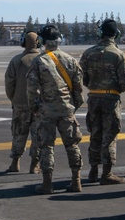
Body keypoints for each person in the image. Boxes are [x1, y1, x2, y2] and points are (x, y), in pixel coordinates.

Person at [27, 24, 84, 194]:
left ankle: (47, 183)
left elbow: (32, 89)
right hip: (66, 110)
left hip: (47, 111)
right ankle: (76, 181)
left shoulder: (39, 61)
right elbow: (79, 89)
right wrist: (71, 106)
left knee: (47, 147)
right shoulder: (71, 60)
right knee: (72, 145)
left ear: (42, 41)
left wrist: (35, 108)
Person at [80, 18, 125, 184]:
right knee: (109, 135)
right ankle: (107, 173)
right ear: (116, 34)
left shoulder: (88, 53)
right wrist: (115, 89)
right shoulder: (118, 54)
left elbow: (83, 78)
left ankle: (93, 170)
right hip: (111, 98)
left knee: (95, 133)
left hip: (94, 97)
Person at [4, 30, 42, 174]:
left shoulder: (16, 60)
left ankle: (15, 162)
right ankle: (34, 164)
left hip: (20, 104)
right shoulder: (44, 59)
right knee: (37, 135)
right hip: (39, 105)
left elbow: (9, 84)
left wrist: (14, 99)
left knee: (18, 134)